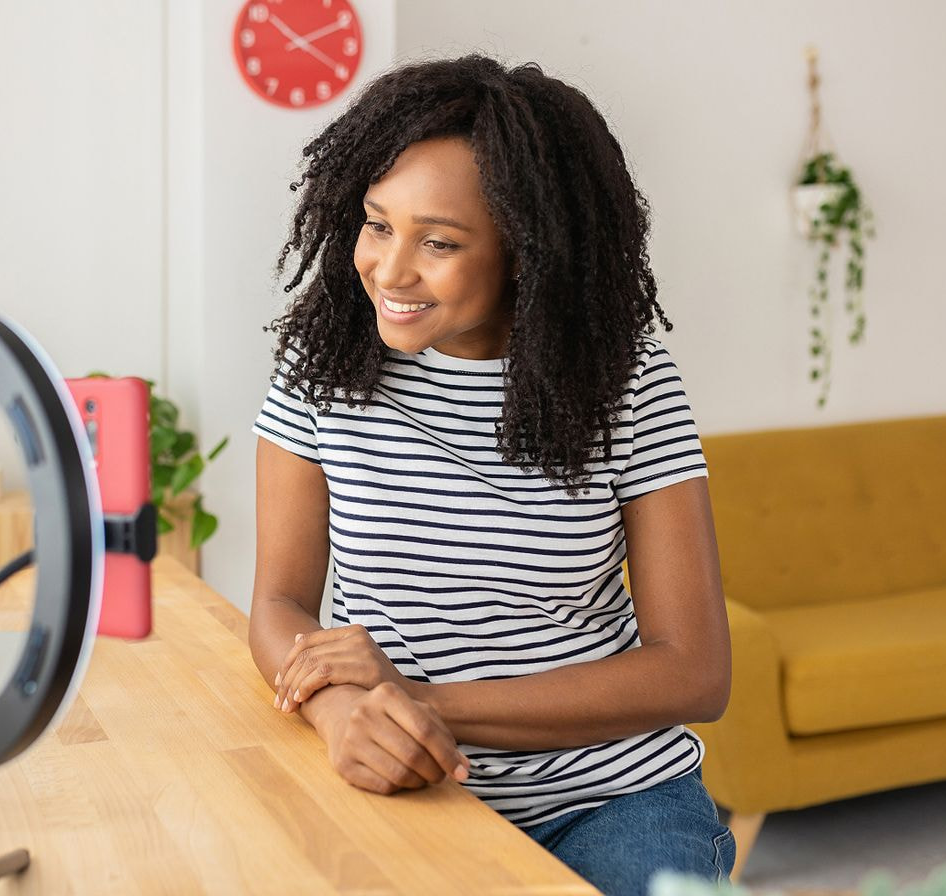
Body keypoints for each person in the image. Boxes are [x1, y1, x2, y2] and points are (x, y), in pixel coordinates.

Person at [247, 54, 736, 895]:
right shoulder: (321, 365)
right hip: (405, 785)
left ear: (526, 250)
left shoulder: (626, 380)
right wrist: (341, 716)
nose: (391, 271)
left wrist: (426, 701)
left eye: (437, 242)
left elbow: (694, 670)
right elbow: (280, 602)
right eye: (376, 224)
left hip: (612, 798)